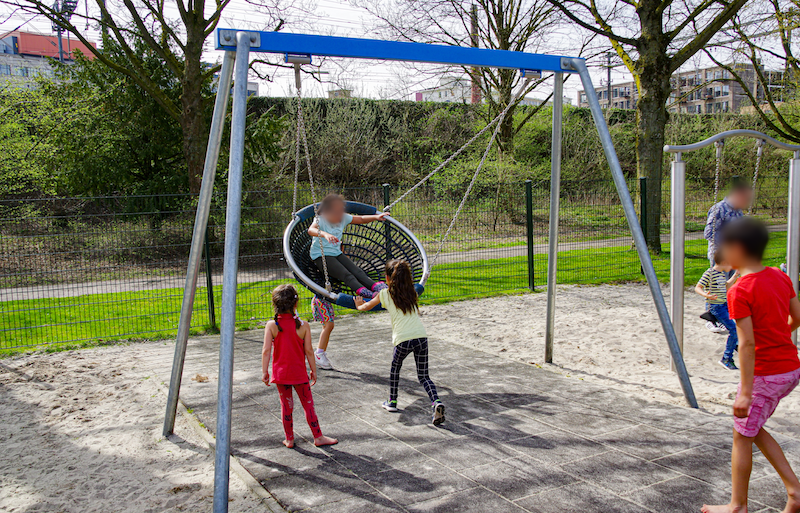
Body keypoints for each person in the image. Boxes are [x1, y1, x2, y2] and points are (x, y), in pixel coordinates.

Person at [702, 217, 800, 513]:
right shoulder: (778, 276)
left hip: (765, 374)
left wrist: (744, 392)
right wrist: (781, 333)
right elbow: (797, 316)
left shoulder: (740, 291)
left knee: (741, 435)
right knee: (752, 429)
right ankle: (793, 491)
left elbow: (745, 344)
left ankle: (738, 505)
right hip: (790, 368)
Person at [355, 259, 446, 426]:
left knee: (395, 369)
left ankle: (392, 402)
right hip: (420, 337)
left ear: (388, 279)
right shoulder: (412, 291)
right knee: (424, 376)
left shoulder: (385, 294)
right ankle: (436, 402)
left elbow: (368, 306)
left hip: (403, 339)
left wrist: (359, 305)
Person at [262, 284, 338, 448]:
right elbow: (309, 351)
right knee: (308, 404)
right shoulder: (304, 326)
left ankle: (289, 439)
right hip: (299, 374)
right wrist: (313, 370)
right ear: (296, 304)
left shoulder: (271, 326)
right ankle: (317, 436)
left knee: (286, 406)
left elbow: (266, 350)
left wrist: (265, 372)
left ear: (275, 304)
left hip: (281, 375)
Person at [308, 194, 389, 299]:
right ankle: (365, 292)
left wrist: (376, 217)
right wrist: (325, 234)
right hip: (321, 256)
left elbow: (361, 219)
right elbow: (311, 230)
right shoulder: (321, 219)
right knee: (347, 275)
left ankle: (374, 286)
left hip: (336, 253)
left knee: (357, 271)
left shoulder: (343, 218)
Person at [695, 250, 741, 370]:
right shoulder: (710, 273)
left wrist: (735, 275)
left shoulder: (720, 274)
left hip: (724, 305)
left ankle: (735, 344)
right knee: (733, 329)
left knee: (740, 325)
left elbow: (726, 286)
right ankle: (726, 358)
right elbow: (698, 287)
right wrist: (706, 295)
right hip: (716, 307)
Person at [311, 295, 335, 370]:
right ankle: (319, 353)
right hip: (320, 300)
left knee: (327, 326)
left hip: (325, 299)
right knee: (328, 325)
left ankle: (321, 352)